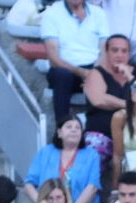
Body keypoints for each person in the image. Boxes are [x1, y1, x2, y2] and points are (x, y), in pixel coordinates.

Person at [24, 115, 102, 203]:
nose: (74, 130)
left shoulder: (91, 155)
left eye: (78, 127)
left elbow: (92, 188)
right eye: (69, 126)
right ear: (59, 132)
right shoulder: (45, 153)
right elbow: (28, 184)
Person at [42, 0, 110, 128]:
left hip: (92, 67)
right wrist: (82, 72)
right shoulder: (52, 14)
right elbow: (54, 59)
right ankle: (62, 130)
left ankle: (96, 133)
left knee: (103, 76)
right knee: (62, 75)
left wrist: (94, 73)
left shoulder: (99, 13)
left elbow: (104, 51)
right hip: (64, 68)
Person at [82, 33, 136, 163]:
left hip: (132, 136)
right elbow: (99, 100)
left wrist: (130, 77)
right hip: (100, 135)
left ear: (129, 54)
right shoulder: (96, 73)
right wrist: (128, 103)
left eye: (124, 51)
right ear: (106, 52)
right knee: (91, 154)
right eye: (114, 50)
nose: (119, 55)